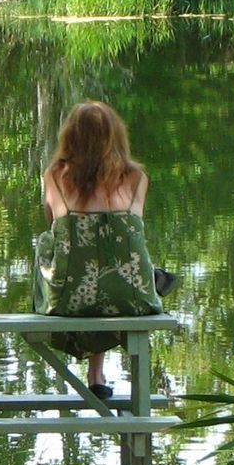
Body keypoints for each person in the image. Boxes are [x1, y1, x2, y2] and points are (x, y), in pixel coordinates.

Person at [35, 100, 165, 395]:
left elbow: (52, 223)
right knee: (112, 269)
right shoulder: (136, 178)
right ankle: (97, 373)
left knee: (67, 256)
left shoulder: (55, 175)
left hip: (67, 298)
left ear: (69, 136)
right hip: (132, 297)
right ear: (116, 135)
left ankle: (95, 372)